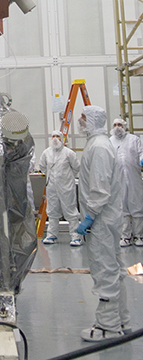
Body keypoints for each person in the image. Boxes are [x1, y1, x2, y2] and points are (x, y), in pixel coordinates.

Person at [76, 106, 130, 342]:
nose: (79, 120)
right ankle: (122, 320)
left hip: (100, 220)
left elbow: (99, 189)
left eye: (83, 117)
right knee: (115, 269)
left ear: (93, 121)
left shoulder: (98, 147)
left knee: (104, 270)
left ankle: (107, 327)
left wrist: (89, 217)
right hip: (108, 218)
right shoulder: (98, 143)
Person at [38, 130, 82, 246]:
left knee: (71, 211)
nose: (55, 138)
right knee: (52, 211)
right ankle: (52, 235)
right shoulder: (46, 153)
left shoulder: (69, 153)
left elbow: (76, 167)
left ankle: (75, 236)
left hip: (66, 187)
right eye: (53, 136)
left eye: (58, 136)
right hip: (52, 187)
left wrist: (68, 179)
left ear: (62, 139)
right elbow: (42, 166)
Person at [109, 117, 143, 247]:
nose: (117, 127)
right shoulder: (110, 141)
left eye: (120, 125)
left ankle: (139, 236)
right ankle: (125, 236)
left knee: (137, 207)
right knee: (122, 208)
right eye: (115, 125)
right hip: (118, 180)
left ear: (124, 126)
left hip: (134, 178)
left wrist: (142, 159)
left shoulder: (134, 139)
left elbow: (141, 152)